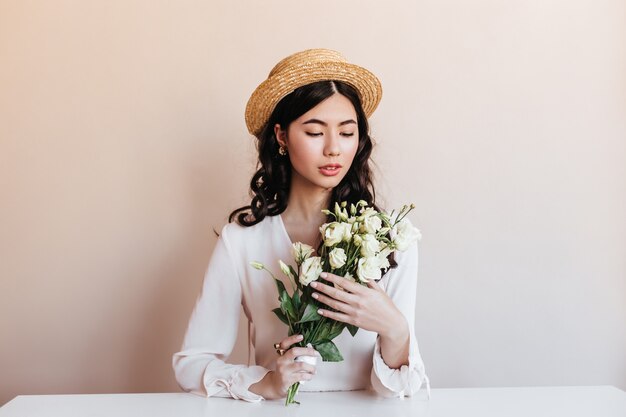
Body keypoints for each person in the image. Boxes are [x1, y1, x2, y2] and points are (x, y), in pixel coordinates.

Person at [172, 48, 429, 402]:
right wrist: (268, 383)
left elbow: (394, 389)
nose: (333, 149)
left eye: (346, 132)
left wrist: (394, 328)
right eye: (314, 132)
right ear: (281, 136)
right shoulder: (242, 241)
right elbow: (190, 365)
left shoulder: (390, 239)